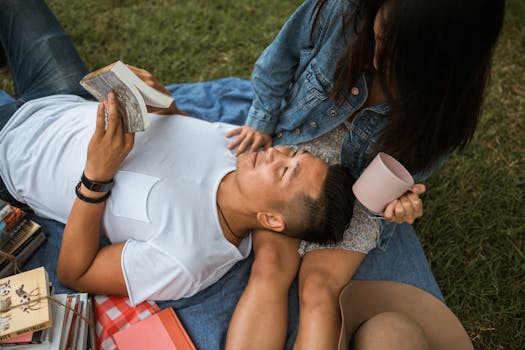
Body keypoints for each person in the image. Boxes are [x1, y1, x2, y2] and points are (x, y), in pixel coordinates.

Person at [0, 0, 356, 306]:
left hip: (11, 155)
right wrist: (161, 100)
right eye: (291, 154)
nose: (276, 153)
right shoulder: (239, 150)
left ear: (271, 220)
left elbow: (76, 273)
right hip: (64, 97)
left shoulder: (188, 259)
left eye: (284, 172)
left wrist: (97, 176)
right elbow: (182, 130)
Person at [225, 0, 505, 348]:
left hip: (363, 189)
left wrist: (395, 205)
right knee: (269, 267)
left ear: (438, 67)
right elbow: (278, 60)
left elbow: (403, 178)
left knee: (319, 289)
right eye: (380, 34)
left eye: (396, 55)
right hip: (303, 149)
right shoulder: (341, 11)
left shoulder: (445, 109)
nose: (375, 57)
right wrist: (262, 120)